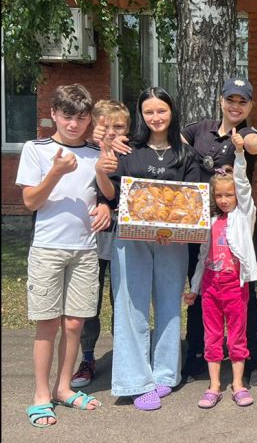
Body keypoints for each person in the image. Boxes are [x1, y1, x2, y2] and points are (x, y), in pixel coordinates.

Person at [98, 87, 199, 411]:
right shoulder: (128, 150)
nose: (156, 117)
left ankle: (166, 375)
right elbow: (113, 194)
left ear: (172, 113)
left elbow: (194, 200)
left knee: (169, 306)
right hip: (131, 240)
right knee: (131, 307)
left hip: (173, 242)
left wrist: (174, 228)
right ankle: (133, 381)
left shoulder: (185, 156)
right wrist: (101, 170)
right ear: (141, 115)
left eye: (162, 111)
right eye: (149, 112)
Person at [17, 84, 111, 427]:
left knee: (74, 324)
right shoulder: (36, 149)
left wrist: (105, 207)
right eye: (67, 115)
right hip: (47, 248)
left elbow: (104, 192)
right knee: (48, 324)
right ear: (54, 114)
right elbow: (30, 202)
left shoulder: (94, 152)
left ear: (89, 119)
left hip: (85, 250)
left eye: (81, 117)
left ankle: (64, 388)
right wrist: (56, 172)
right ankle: (41, 396)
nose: (74, 123)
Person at [179, 78, 257, 386]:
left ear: (250, 106)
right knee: (201, 288)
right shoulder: (199, 129)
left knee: (243, 291)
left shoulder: (247, 131)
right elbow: (172, 141)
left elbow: (252, 144)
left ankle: (251, 360)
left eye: (243, 101)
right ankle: (196, 354)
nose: (236, 106)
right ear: (220, 100)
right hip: (203, 223)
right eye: (231, 99)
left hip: (240, 227)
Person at [183, 129, 257, 409]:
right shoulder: (211, 222)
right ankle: (214, 385)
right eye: (220, 196)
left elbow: (242, 183)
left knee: (237, 335)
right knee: (212, 335)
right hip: (211, 287)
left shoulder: (243, 216)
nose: (225, 199)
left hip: (235, 286)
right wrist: (194, 288)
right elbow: (202, 258)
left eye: (229, 195)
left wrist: (239, 154)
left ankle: (238, 383)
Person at [71, 100, 130, 389]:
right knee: (88, 302)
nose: (111, 132)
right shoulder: (86, 153)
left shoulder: (130, 155)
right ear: (95, 126)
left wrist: (109, 203)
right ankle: (88, 357)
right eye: (105, 126)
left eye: (118, 126)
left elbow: (123, 193)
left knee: (121, 299)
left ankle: (124, 354)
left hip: (122, 236)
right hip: (90, 238)